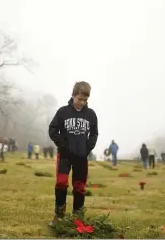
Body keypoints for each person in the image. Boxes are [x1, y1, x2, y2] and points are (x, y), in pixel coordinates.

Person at [48, 81, 98, 226]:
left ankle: (78, 217)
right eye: (79, 99)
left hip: (81, 158)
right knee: (61, 183)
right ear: (73, 95)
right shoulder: (63, 112)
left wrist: (87, 148)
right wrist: (63, 146)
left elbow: (94, 134)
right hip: (64, 156)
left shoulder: (91, 114)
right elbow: (53, 130)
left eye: (85, 100)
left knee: (80, 186)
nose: (81, 102)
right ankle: (59, 216)